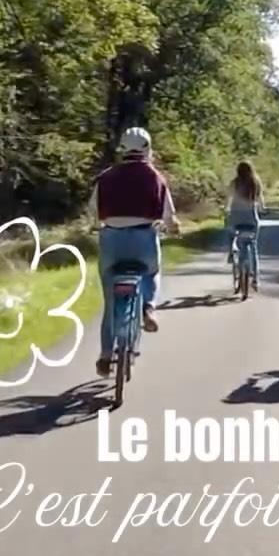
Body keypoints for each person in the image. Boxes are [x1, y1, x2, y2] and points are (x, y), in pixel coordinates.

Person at [91, 126, 180, 377]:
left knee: (110, 302)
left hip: (111, 241)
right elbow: (168, 213)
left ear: (122, 149)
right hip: (144, 238)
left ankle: (106, 356)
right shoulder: (155, 177)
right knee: (151, 272)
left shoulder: (106, 177)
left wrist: (94, 226)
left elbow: (93, 211)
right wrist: (173, 227)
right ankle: (148, 307)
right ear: (148, 149)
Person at [225, 160, 265, 290]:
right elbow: (261, 201)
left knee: (230, 230)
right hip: (251, 219)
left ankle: (231, 251)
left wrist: (227, 209)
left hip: (236, 218)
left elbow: (228, 199)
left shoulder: (234, 183)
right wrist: (262, 208)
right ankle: (255, 280)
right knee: (253, 248)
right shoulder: (256, 183)